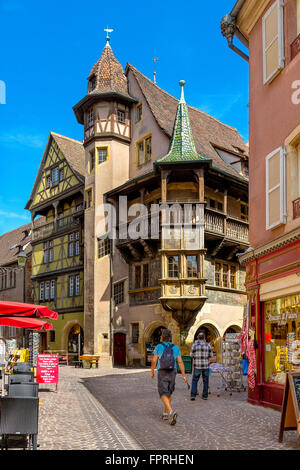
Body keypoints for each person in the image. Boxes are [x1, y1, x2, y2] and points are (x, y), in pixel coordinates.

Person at [150, 328, 188, 425]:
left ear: (162, 337)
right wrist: (183, 375)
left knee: (163, 392)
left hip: (162, 371)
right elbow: (180, 361)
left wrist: (152, 371)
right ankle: (165, 413)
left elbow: (154, 360)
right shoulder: (176, 348)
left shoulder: (159, 346)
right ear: (170, 338)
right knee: (169, 392)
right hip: (172, 371)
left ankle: (170, 412)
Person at [190, 331, 215, 401]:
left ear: (198, 338)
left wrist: (196, 356)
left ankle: (193, 395)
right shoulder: (208, 345)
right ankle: (205, 396)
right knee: (205, 381)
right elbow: (211, 356)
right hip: (205, 366)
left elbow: (191, 355)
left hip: (197, 366)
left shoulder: (194, 345)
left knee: (195, 380)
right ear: (204, 338)